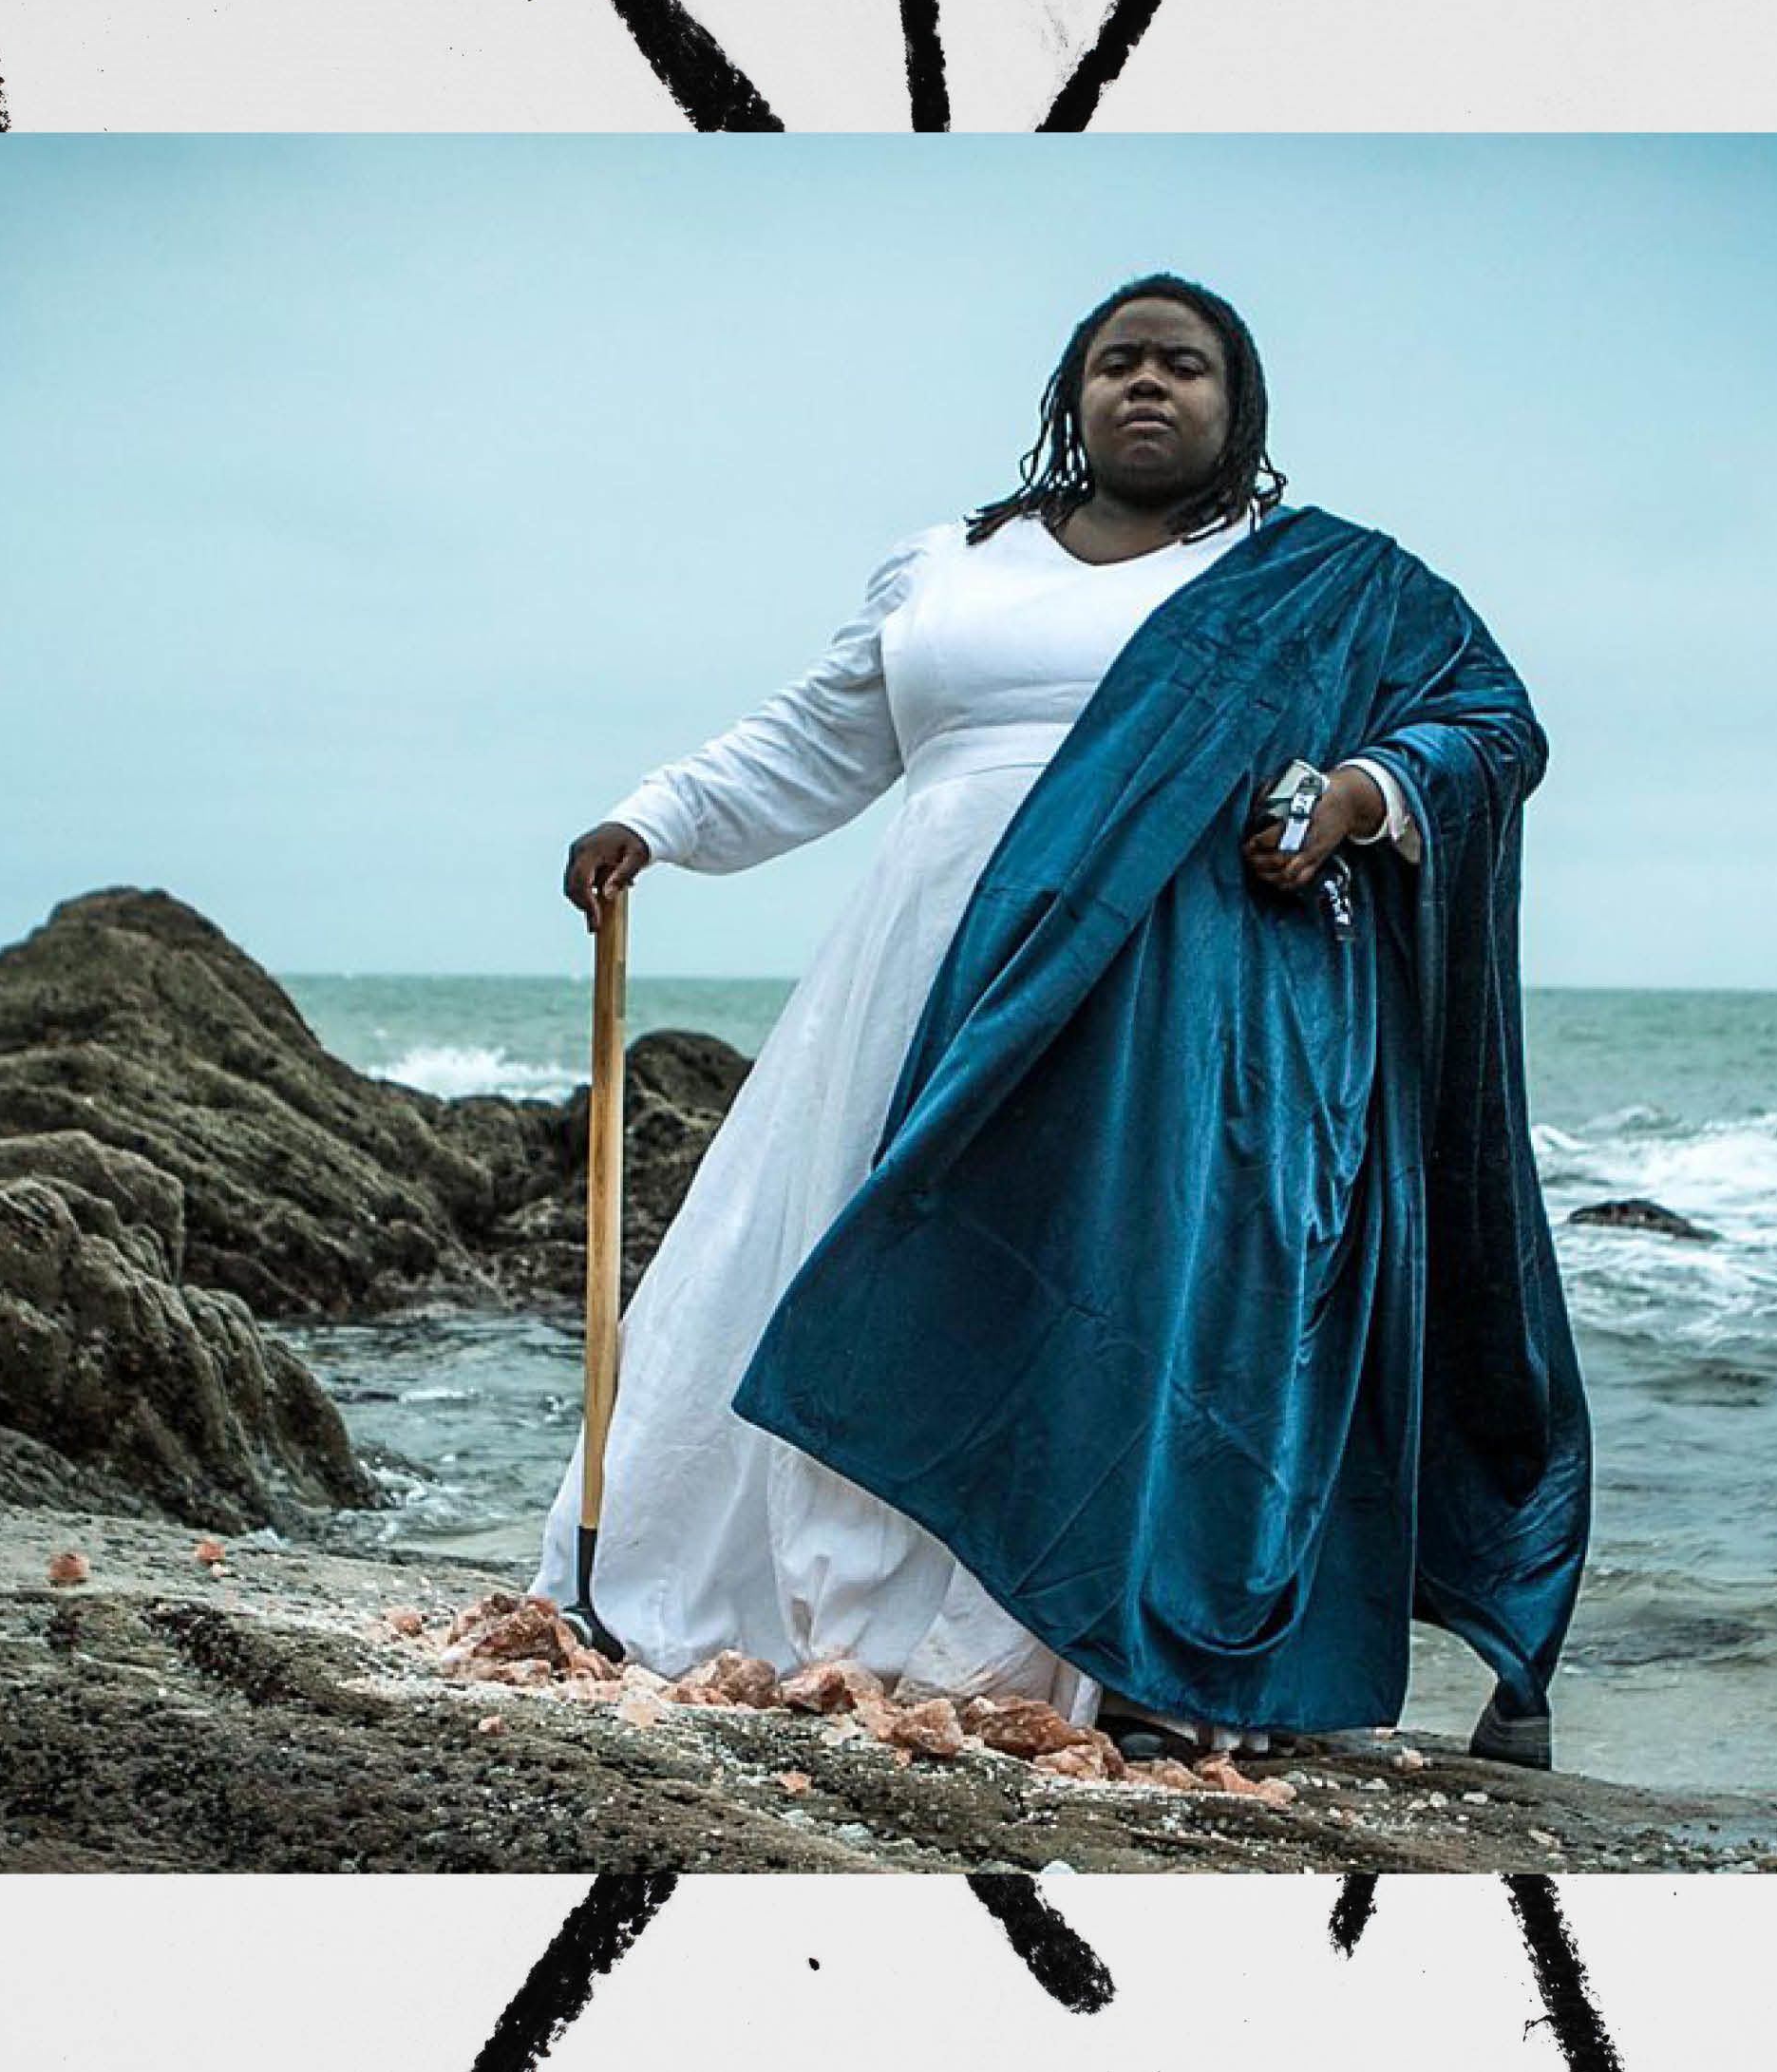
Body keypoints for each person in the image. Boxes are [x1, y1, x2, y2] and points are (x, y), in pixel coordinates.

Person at [537, 272, 1587, 1767]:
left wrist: (1358, 791)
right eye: (1118, 360)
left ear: (1241, 404)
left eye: (1185, 364)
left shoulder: (1317, 578)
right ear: (1070, 396)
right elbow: (815, 740)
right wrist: (657, 816)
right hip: (922, 972)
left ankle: (1082, 1655)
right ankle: (825, 1620)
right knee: (867, 1267)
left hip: (1167, 1005)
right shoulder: (948, 567)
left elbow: (1488, 720)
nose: (1147, 383)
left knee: (1113, 1304)